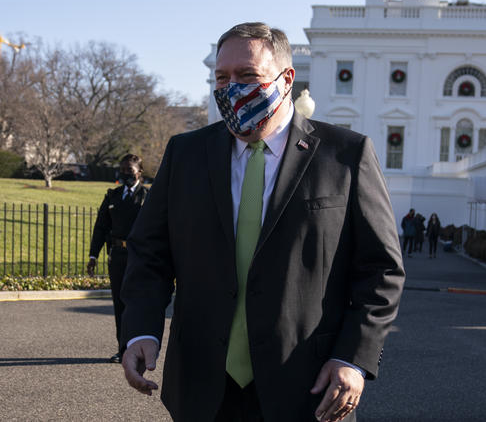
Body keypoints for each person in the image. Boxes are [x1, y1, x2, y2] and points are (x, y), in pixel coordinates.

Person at [119, 22, 405, 422]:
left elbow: (382, 270)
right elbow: (150, 252)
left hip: (309, 388)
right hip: (202, 388)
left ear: (286, 79)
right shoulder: (186, 154)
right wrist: (141, 330)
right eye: (222, 77)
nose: (231, 87)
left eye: (247, 75)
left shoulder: (346, 155)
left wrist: (352, 358)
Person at [86, 154, 148, 363]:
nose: (124, 175)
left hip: (140, 257)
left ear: (139, 172)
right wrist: (93, 255)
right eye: (122, 171)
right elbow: (101, 227)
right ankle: (123, 350)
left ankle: (138, 348)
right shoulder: (113, 195)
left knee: (138, 304)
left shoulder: (148, 197)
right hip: (118, 256)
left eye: (129, 171)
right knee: (120, 303)